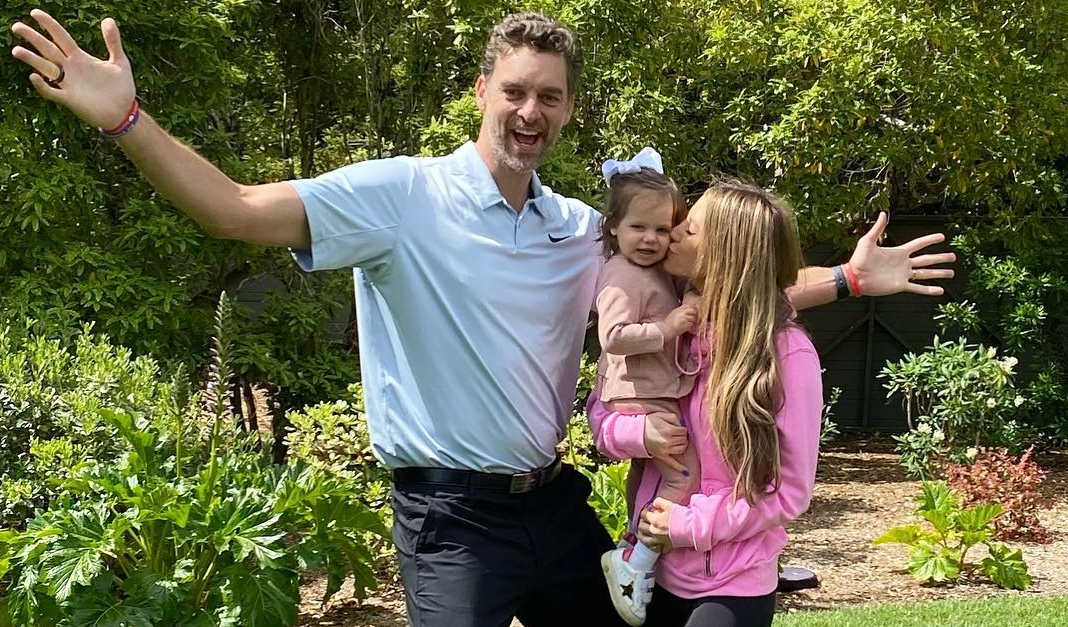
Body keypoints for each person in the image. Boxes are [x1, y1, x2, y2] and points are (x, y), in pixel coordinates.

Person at [10, 9, 956, 627]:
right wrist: (127, 120)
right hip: (449, 517)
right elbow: (234, 211)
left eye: (549, 95)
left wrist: (846, 281)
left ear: (569, 109)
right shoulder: (396, 198)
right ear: (480, 93)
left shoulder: (582, 229)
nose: (529, 109)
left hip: (553, 500)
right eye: (513, 90)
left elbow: (724, 300)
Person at [590, 180, 823, 627]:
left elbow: (790, 491)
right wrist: (638, 434)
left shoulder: (786, 355)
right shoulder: (673, 328)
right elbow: (601, 407)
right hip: (652, 574)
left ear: (726, 253)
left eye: (689, 229)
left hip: (729, 583)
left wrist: (687, 526)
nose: (671, 233)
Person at [591, 147, 702, 626]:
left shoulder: (653, 271)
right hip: (640, 397)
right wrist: (671, 325)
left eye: (662, 229)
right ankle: (636, 564)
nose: (651, 239)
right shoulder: (619, 273)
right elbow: (613, 338)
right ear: (613, 226)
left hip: (651, 390)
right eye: (639, 227)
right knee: (682, 476)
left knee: (648, 478)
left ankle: (627, 547)